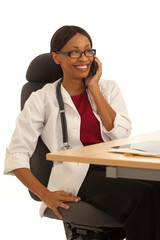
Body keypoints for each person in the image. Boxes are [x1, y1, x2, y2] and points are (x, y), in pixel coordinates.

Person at [4, 25, 160, 240]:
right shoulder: (42, 99)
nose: (83, 58)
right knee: (145, 196)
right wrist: (45, 194)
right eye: (74, 52)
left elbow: (121, 135)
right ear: (57, 57)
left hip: (118, 166)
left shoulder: (108, 88)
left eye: (88, 51)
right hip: (82, 175)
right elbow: (16, 154)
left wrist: (94, 89)